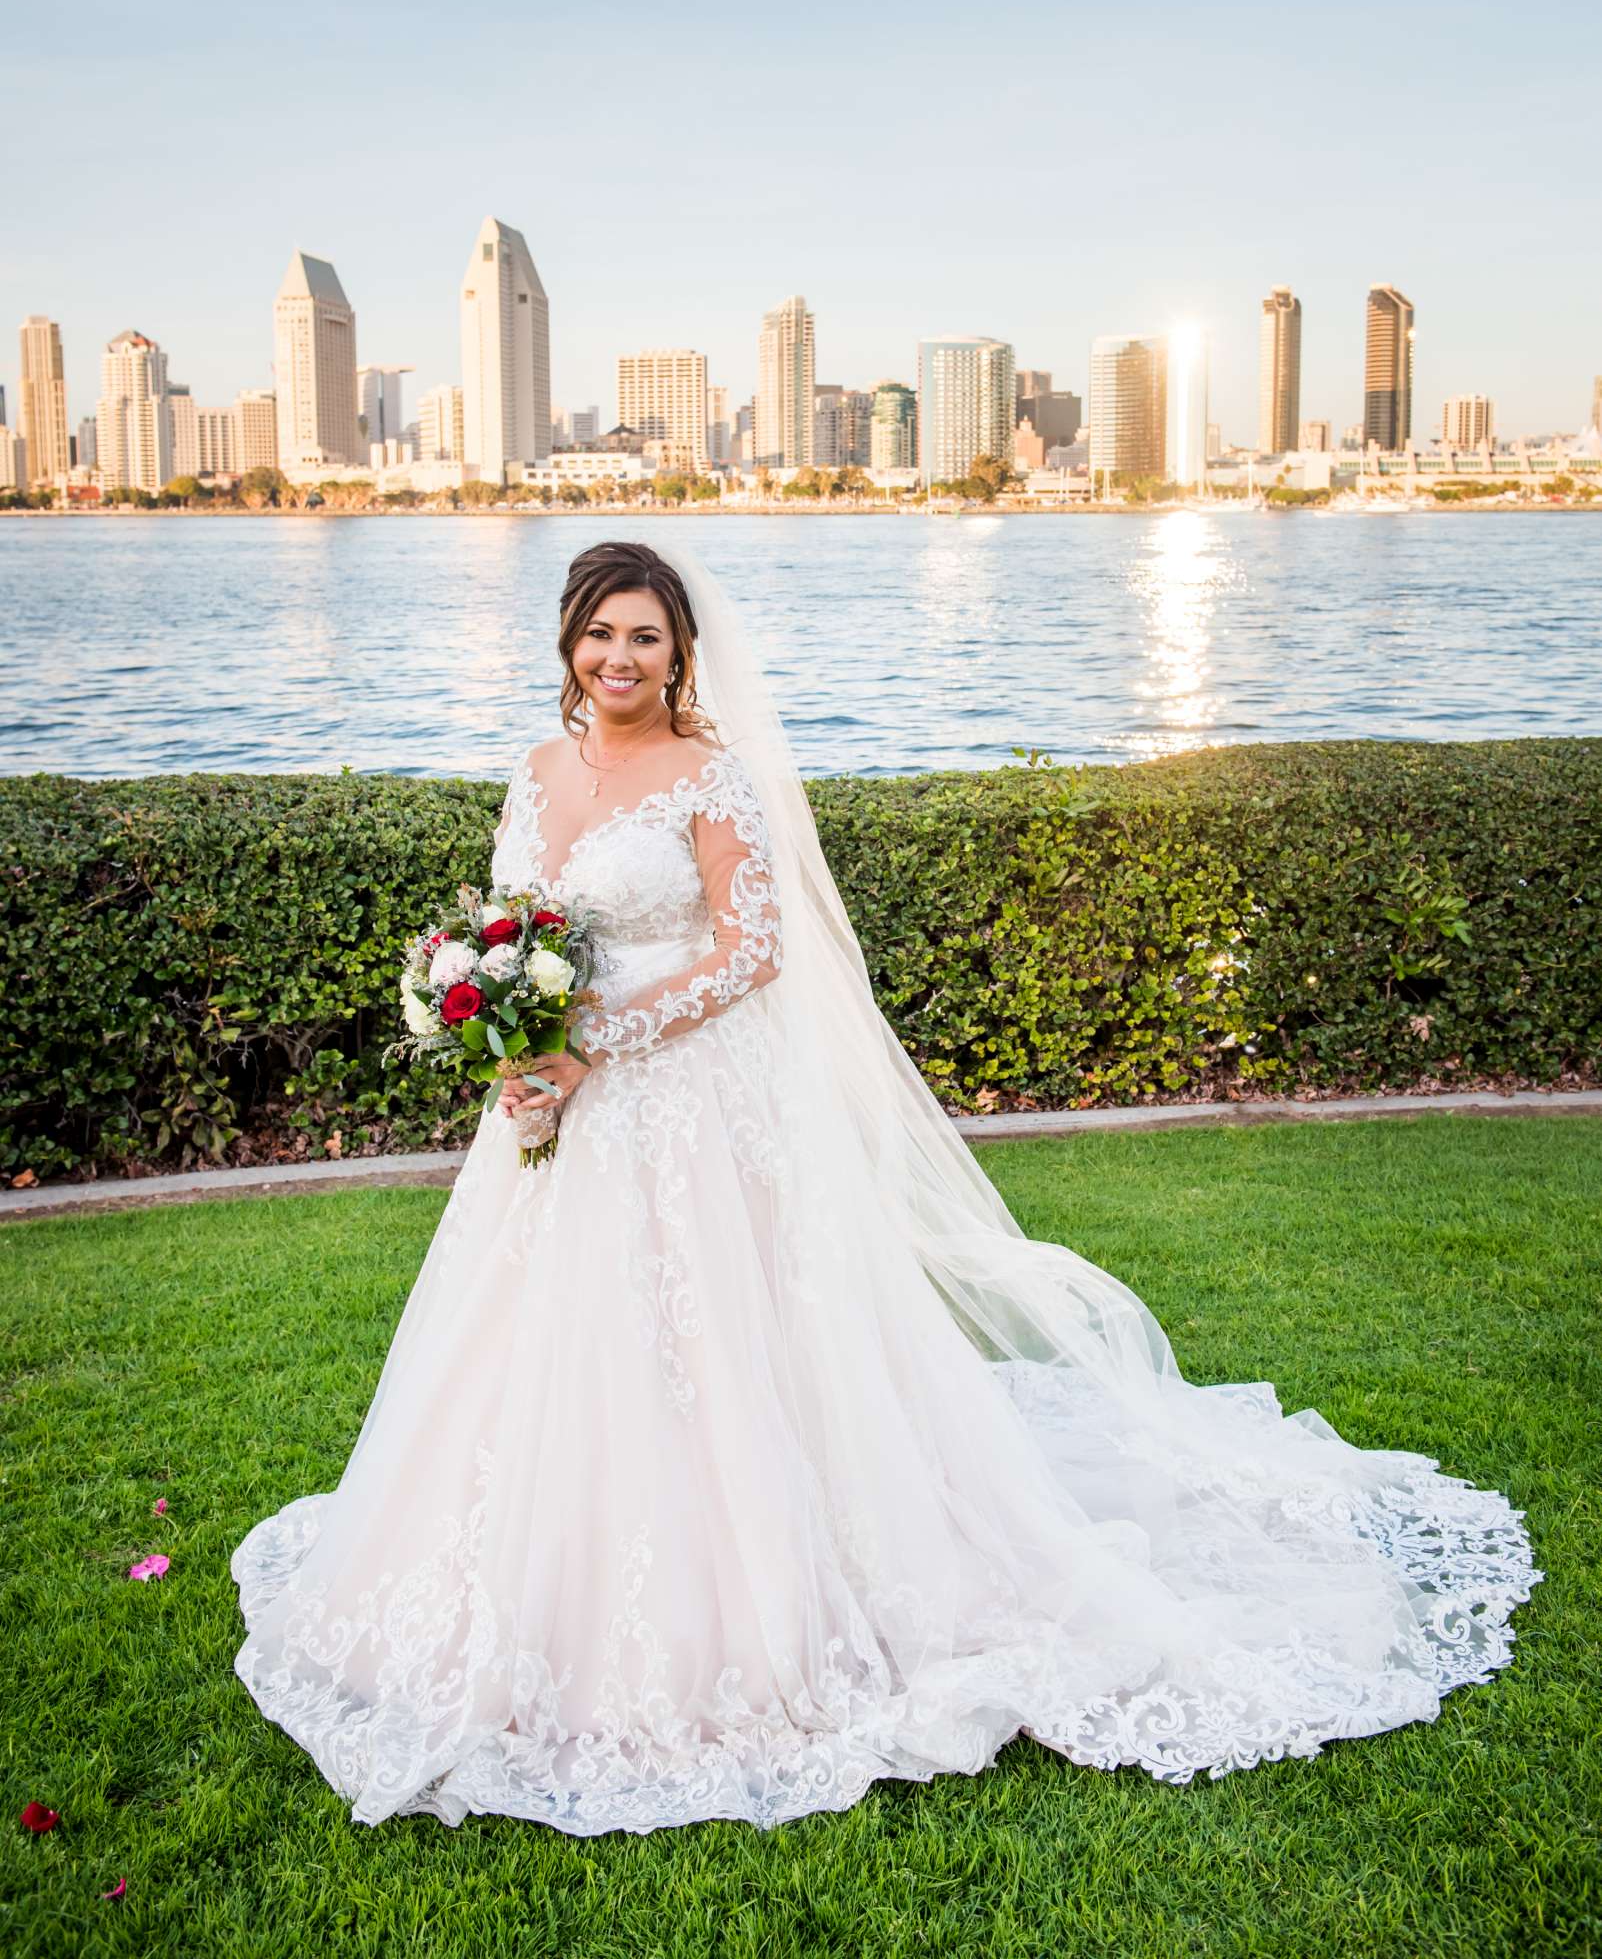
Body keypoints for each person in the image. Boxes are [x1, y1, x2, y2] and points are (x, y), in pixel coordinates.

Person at [231, 534, 1538, 1835]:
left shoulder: (713, 776)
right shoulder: (532, 769)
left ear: (681, 650)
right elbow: (516, 932)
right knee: (534, 1344)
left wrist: (593, 1047)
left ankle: (760, 1604)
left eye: (644, 635)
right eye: (598, 633)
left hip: (684, 1103)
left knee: (719, 1346)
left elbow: (750, 953)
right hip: (553, 1112)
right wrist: (516, 1044)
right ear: (567, 642)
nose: (618, 657)